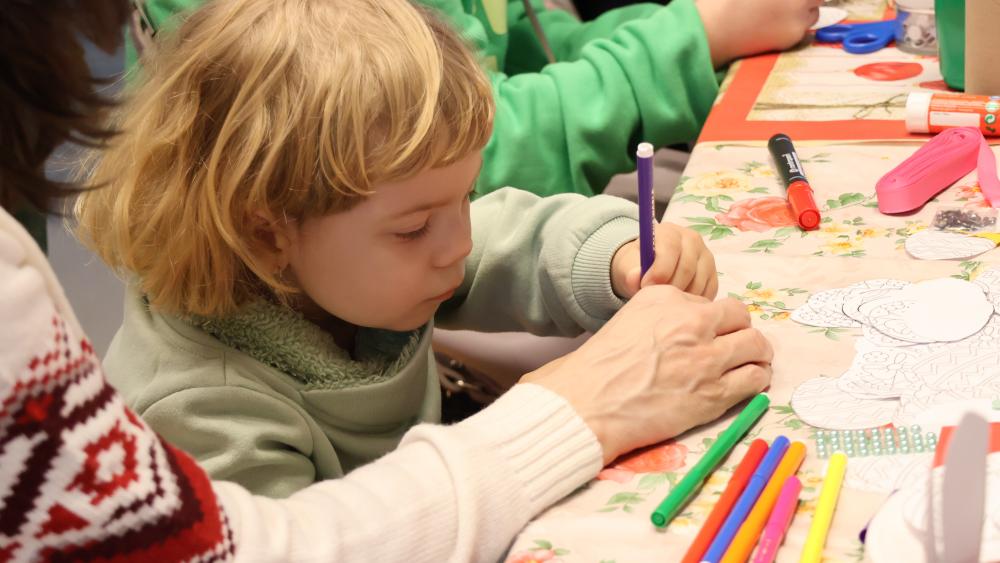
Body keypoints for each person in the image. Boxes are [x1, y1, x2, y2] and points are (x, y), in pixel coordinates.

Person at [1, 0, 772, 560]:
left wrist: (612, 254)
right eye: (414, 225)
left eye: (460, 199)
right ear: (266, 230)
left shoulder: (352, 261)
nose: (457, 241)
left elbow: (505, 237)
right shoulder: (202, 407)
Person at [126, 0, 821, 198]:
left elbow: (525, 51)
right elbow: (439, 156)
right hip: (375, 268)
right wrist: (692, 39)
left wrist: (706, 26)